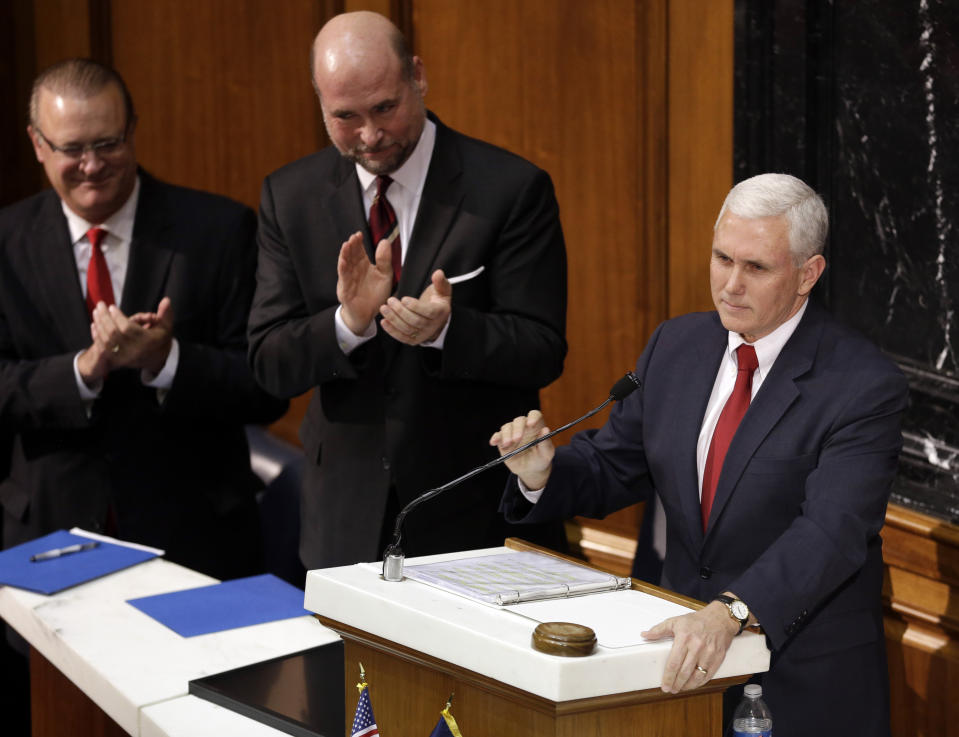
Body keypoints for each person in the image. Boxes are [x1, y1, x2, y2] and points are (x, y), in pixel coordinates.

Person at [491, 173, 907, 737]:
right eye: (721, 259)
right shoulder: (678, 345)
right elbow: (615, 463)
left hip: (802, 680)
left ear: (808, 273)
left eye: (755, 267)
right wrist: (543, 471)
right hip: (681, 667)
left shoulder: (861, 384)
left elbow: (831, 533)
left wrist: (734, 609)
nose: (730, 285)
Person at [248, 11, 568, 569]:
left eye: (385, 108)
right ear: (319, 102)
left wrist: (448, 330)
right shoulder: (288, 196)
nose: (370, 135)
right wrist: (347, 325)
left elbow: (541, 347)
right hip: (343, 520)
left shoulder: (510, 189)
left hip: (471, 512)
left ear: (416, 77)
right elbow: (269, 362)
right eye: (344, 116)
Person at [0, 59, 288, 579]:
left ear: (132, 130)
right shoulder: (6, 244)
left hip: (195, 544)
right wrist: (80, 373)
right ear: (38, 144)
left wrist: (167, 361)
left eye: (108, 144)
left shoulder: (219, 232)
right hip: (49, 542)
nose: (91, 165)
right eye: (71, 149)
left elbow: (266, 386)